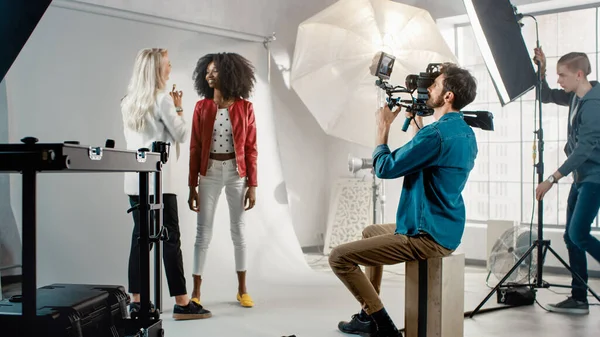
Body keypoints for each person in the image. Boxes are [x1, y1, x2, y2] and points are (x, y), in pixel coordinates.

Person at [329, 62, 478, 337]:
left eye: (435, 84)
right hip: (446, 228)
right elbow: (429, 154)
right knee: (370, 232)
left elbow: (385, 168)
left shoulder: (436, 135)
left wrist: (382, 127)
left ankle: (383, 326)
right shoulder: (466, 132)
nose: (428, 87)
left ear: (448, 96)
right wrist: (418, 125)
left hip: (424, 235)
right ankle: (366, 315)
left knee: (339, 257)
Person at [121, 48, 211, 320]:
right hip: (160, 182)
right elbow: (182, 133)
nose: (170, 68)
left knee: (140, 239)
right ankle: (182, 302)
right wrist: (179, 107)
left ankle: (136, 301)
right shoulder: (162, 100)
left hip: (135, 182)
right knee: (170, 238)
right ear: (157, 70)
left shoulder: (127, 101)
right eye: (167, 65)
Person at [188, 52, 258, 308]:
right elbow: (194, 147)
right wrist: (191, 185)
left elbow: (251, 148)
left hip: (235, 173)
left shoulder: (245, 108)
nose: (209, 75)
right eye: (207, 71)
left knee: (238, 231)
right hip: (208, 173)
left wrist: (253, 184)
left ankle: (242, 290)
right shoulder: (201, 107)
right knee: (202, 233)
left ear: (228, 74)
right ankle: (195, 292)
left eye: (214, 71)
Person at [533, 47, 600, 315]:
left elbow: (584, 150)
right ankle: (578, 298)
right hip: (581, 177)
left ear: (579, 74)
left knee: (578, 233)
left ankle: (579, 297)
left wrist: (552, 178)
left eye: (562, 75)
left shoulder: (594, 105)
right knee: (571, 238)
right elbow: (545, 95)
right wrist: (543, 70)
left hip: (595, 178)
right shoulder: (577, 96)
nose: (559, 80)